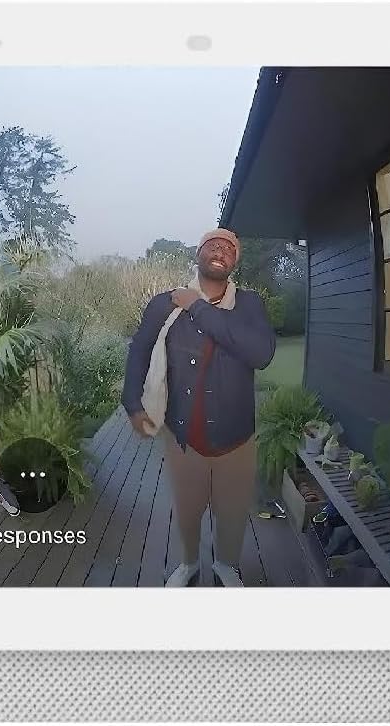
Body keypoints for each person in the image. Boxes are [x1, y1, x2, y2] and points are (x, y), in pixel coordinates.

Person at [121, 228, 276, 586]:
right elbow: (139, 351)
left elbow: (261, 354)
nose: (221, 251)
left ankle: (226, 565)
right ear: (198, 253)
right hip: (183, 436)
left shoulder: (250, 305)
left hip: (237, 438)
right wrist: (132, 404)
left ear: (235, 262)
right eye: (213, 245)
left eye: (229, 249)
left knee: (233, 511)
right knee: (188, 510)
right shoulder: (164, 305)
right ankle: (188, 563)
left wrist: (198, 306)